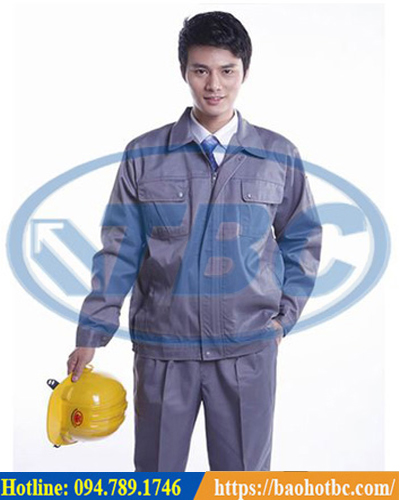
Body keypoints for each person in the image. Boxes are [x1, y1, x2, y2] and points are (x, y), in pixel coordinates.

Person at [67, 11, 322, 471]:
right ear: (184, 71)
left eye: (227, 70)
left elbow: (302, 238)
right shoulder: (145, 154)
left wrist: (282, 320)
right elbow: (120, 247)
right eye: (201, 70)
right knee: (157, 480)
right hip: (164, 350)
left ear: (245, 71)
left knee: (244, 484)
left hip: (247, 350)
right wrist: (92, 332)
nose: (214, 85)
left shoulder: (278, 155)